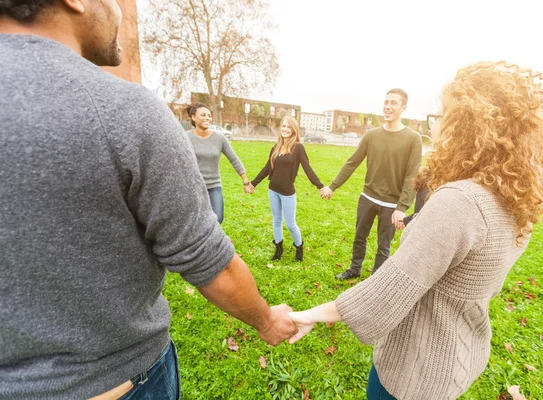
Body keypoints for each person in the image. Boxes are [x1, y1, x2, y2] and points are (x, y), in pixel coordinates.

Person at [0, 2, 296, 399]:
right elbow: (210, 262)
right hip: (119, 382)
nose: (121, 13)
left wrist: (243, 178)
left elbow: (236, 164)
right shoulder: (125, 110)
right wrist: (266, 320)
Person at [288, 61, 543, 400]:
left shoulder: (461, 202)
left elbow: (386, 294)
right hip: (456, 361)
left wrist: (310, 315)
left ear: (465, 125)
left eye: (440, 116)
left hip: (413, 371)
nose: (434, 126)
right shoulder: (517, 200)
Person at [320, 89, 423, 280]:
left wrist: (402, 208)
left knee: (383, 246)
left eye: (393, 103)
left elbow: (412, 176)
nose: (388, 106)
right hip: (367, 197)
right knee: (359, 237)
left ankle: (376, 279)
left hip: (392, 205)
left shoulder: (413, 138)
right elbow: (352, 162)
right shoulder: (371, 135)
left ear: (403, 108)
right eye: (386, 102)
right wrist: (332, 186)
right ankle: (354, 269)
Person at [248, 116, 323, 262]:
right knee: (276, 221)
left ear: (294, 130)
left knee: (290, 223)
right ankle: (278, 249)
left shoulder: (298, 147)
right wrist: (253, 183)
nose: (285, 129)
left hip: (287, 193)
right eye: (283, 126)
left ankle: (299, 247)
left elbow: (307, 168)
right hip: (273, 190)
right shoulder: (275, 147)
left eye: (288, 127)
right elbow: (266, 168)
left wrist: (319, 186)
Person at [185, 103, 250, 224]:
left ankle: (209, 238)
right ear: (193, 117)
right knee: (194, 219)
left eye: (209, 115)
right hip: (194, 186)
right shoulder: (185, 137)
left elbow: (234, 159)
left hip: (214, 185)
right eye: (203, 115)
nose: (207, 118)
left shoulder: (220, 138)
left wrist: (246, 181)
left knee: (218, 217)